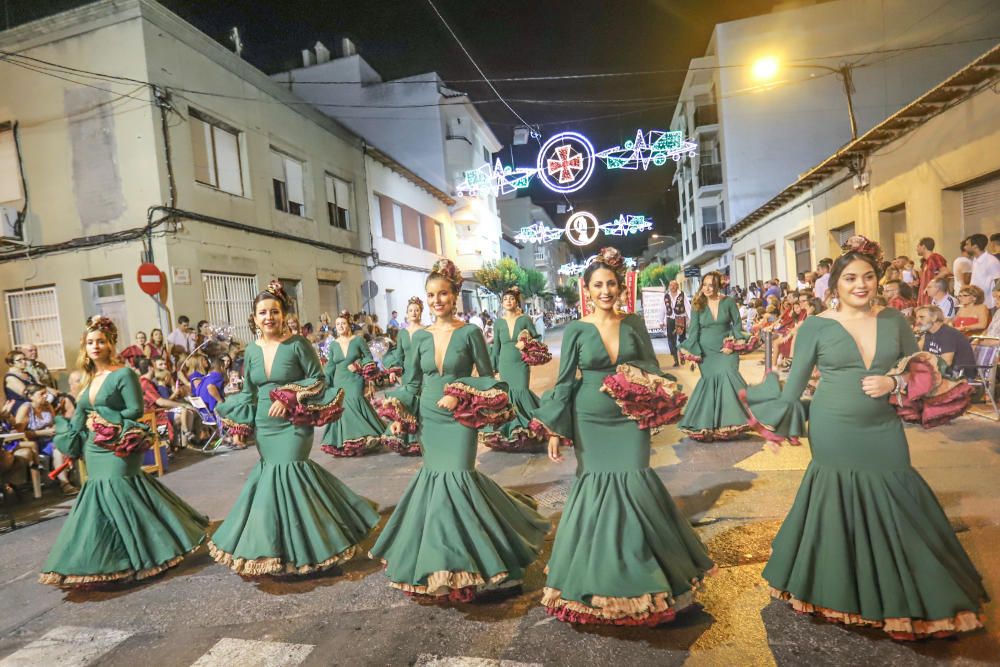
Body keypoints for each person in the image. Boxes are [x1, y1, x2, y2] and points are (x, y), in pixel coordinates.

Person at [742, 235, 985, 639]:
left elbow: (917, 369)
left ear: (877, 280)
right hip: (833, 426)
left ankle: (909, 593)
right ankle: (844, 590)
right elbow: (792, 388)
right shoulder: (816, 326)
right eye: (851, 277)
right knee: (840, 499)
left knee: (897, 490)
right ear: (835, 285)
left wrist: (892, 380)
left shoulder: (893, 320)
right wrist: (773, 422)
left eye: (868, 277)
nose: (861, 284)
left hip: (883, 428)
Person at [534, 247, 711, 625]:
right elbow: (564, 381)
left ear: (620, 286)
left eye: (611, 283)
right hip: (590, 419)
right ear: (586, 288)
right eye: (597, 284)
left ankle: (641, 573)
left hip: (630, 417)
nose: (605, 290)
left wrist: (653, 397)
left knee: (634, 481)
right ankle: (599, 577)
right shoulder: (577, 330)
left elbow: (650, 365)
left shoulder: (633, 323)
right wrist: (554, 428)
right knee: (596, 487)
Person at [371, 259, 548, 601]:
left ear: (455, 296)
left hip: (460, 418)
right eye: (431, 295)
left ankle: (480, 558)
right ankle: (442, 564)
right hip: (428, 420)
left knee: (460, 478)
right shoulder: (419, 337)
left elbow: (487, 377)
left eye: (443, 294)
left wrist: (458, 392)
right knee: (436, 483)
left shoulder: (470, 332)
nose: (437, 300)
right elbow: (412, 381)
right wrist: (399, 410)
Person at [211, 280, 378, 576]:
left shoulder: (298, 344)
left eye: (274, 311)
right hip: (265, 424)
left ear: (283, 313)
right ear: (254, 317)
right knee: (271, 481)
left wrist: (288, 396)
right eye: (262, 313)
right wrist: (240, 422)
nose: (268, 318)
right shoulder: (250, 351)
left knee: (291, 472)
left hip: (293, 421)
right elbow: (249, 391)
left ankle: (313, 546)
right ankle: (278, 551)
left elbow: (318, 380)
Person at [39, 316, 208, 587]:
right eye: (90, 342)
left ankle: (151, 551)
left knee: (122, 491)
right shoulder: (88, 379)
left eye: (101, 341)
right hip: (94, 448)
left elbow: (135, 410)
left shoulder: (124, 373)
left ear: (110, 344)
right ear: (85, 346)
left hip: (118, 443)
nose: (96, 346)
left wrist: (105, 417)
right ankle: (106, 559)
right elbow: (81, 414)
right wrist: (72, 425)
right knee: (100, 498)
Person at [678, 271, 753, 441]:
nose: (707, 288)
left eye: (711, 285)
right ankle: (709, 424)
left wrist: (731, 343)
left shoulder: (728, 302)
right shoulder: (698, 304)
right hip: (707, 351)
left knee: (730, 378)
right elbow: (694, 330)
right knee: (710, 384)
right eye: (704, 285)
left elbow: (737, 324)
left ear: (718, 285)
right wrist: (692, 351)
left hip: (725, 349)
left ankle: (732, 422)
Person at [480, 286, 547, 453]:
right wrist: (493, 367)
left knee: (522, 390)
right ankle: (510, 432)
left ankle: (534, 424)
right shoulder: (498, 323)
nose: (508, 301)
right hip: (505, 362)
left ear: (516, 301)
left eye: (511, 299)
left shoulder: (524, 319)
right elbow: (496, 347)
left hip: (520, 362)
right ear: (502, 303)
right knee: (507, 395)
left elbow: (537, 337)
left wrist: (526, 343)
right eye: (505, 299)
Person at [319, 311, 386, 458]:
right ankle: (350, 441)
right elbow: (331, 365)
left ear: (349, 325)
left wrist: (357, 365)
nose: (340, 326)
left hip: (355, 377)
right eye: (337, 324)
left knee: (355, 401)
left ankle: (369, 435)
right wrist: (324, 382)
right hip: (339, 379)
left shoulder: (358, 340)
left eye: (343, 323)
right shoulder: (334, 345)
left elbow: (368, 357)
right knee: (342, 407)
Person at [378, 297, 426, 456]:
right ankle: (408, 441)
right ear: (406, 313)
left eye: (416, 310)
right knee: (407, 402)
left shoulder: (427, 331)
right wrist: (392, 370)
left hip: (423, 372)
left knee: (420, 403)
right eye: (411, 310)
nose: (414, 313)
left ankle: (422, 440)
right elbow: (398, 354)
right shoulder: (403, 333)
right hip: (407, 373)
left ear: (421, 312)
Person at [14, 385, 77, 495]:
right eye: (41, 394)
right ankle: (64, 484)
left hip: (51, 439)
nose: (45, 396)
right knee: (58, 448)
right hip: (35, 442)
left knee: (69, 443)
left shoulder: (47, 406)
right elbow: (18, 433)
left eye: (45, 393)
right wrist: (43, 432)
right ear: (31, 396)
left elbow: (54, 423)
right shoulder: (26, 408)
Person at [915, 306, 977, 380]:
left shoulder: (948, 334)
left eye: (922, 317)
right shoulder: (928, 333)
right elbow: (918, 355)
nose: (917, 321)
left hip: (959, 376)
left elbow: (946, 363)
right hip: (943, 373)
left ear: (934, 317)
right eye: (917, 318)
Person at [964, 233, 1000, 309]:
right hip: (975, 302)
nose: (965, 247)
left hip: (989, 304)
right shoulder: (975, 260)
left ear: (975, 246)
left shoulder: (991, 261)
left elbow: (998, 281)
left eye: (967, 244)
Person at [916, 237, 949, 306]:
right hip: (925, 298)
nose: (916, 249)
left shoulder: (935, 257)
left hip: (932, 298)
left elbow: (945, 271)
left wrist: (930, 284)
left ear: (923, 247)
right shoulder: (925, 262)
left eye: (918, 246)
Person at [663, 280, 689, 367]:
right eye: (671, 285)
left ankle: (682, 355)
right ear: (669, 286)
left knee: (682, 338)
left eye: (674, 285)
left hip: (680, 318)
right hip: (670, 319)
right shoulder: (666, 296)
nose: (672, 287)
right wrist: (660, 321)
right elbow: (662, 308)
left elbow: (687, 306)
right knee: (671, 340)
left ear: (677, 286)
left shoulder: (682, 294)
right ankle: (675, 359)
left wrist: (691, 318)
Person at [4, 350, 32, 414]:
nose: (24, 362)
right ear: (11, 363)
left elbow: (40, 385)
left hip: (34, 402)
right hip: (21, 408)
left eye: (24, 359)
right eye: (20, 360)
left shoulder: (27, 374)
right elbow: (26, 394)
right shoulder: (10, 377)